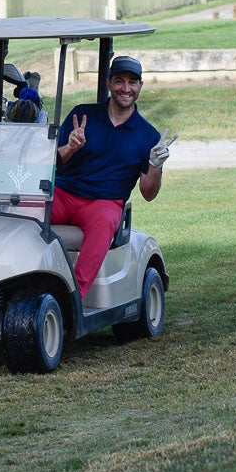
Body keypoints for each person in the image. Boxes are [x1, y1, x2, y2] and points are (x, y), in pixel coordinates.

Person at [52, 55, 176, 298]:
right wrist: (70, 148)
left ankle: (73, 297)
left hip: (103, 202)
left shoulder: (147, 135)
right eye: (119, 81)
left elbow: (148, 193)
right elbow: (50, 165)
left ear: (140, 86)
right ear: (109, 83)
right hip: (64, 193)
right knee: (27, 210)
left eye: (132, 82)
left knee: (105, 221)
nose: (126, 88)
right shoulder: (82, 115)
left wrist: (155, 165)